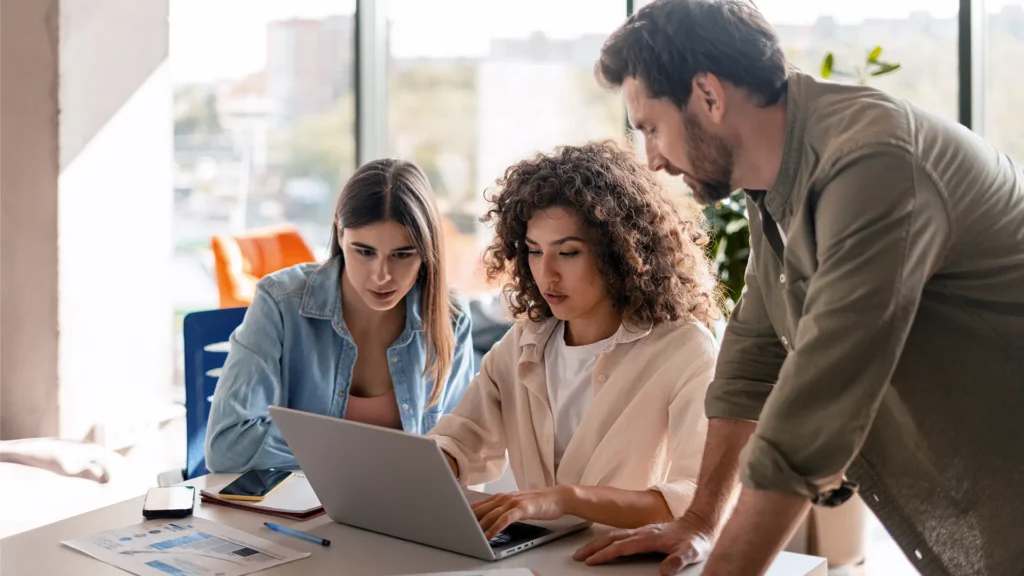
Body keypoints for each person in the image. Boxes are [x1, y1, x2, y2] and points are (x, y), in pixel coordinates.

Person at [574, 1, 1024, 575]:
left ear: (709, 96)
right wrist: (701, 521)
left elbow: (814, 413)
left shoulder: (871, 163)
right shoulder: (778, 182)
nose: (652, 159)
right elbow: (753, 358)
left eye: (652, 128)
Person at [428, 140, 722, 540]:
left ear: (619, 252)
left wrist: (565, 499)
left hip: (624, 563)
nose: (545, 274)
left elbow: (693, 499)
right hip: (535, 561)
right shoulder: (522, 344)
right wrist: (423, 472)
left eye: (567, 253)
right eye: (533, 251)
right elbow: (460, 440)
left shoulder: (684, 351)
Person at [205, 159, 475, 472]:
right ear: (339, 232)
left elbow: (458, 448)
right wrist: (365, 460)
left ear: (427, 250)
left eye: (402, 254)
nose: (382, 276)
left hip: (401, 511)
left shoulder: (451, 318)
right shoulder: (280, 303)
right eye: (364, 251)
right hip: (299, 506)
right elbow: (226, 446)